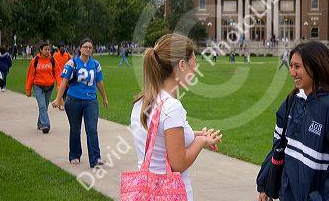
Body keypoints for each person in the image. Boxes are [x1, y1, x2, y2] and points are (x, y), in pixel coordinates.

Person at [257, 41, 329, 201]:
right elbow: (278, 146)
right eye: (291, 66)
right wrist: (267, 185)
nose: (292, 73)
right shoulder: (291, 101)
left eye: (297, 67)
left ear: (315, 67)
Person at [130, 33, 222, 201]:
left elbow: (159, 137)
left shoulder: (141, 102)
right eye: (194, 62)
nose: (195, 68)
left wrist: (195, 135)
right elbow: (178, 163)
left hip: (146, 192)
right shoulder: (171, 107)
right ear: (181, 65)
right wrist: (201, 142)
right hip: (168, 193)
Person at [51, 38, 109, 168]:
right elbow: (64, 82)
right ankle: (75, 154)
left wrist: (104, 97)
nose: (88, 49)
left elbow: (99, 82)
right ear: (80, 48)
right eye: (85, 47)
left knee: (92, 129)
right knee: (75, 129)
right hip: (73, 100)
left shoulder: (95, 64)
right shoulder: (72, 63)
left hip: (91, 101)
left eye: (90, 47)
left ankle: (95, 158)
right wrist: (58, 98)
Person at [25, 42, 62, 134]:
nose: (47, 51)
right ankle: (46, 124)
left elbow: (58, 73)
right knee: (42, 106)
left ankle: (40, 123)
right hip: (38, 86)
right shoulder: (35, 60)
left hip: (49, 86)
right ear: (40, 50)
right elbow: (30, 75)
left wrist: (59, 86)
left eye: (48, 49)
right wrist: (28, 89)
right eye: (45, 49)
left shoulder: (52, 60)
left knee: (44, 107)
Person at [53, 42, 72, 108]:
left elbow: (72, 60)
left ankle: (64, 101)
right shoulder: (55, 55)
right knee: (60, 87)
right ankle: (60, 103)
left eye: (63, 47)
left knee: (67, 88)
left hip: (66, 74)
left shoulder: (66, 54)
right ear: (58, 48)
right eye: (61, 47)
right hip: (58, 74)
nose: (62, 48)